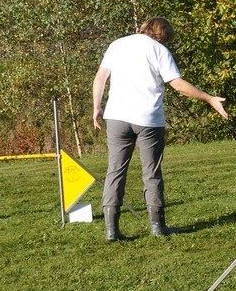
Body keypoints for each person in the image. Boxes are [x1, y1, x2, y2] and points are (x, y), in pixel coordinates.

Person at [92, 17, 228, 241]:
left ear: (143, 28)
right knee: (151, 172)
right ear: (163, 35)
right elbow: (178, 85)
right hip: (148, 120)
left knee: (115, 170)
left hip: (116, 117)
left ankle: (111, 230)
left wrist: (97, 107)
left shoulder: (117, 45)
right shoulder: (159, 50)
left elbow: (100, 78)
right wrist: (209, 98)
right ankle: (157, 227)